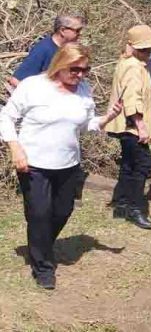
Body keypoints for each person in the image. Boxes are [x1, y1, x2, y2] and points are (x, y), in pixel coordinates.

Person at [0, 44, 121, 290]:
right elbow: (6, 117)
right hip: (34, 163)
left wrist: (106, 118)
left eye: (85, 70)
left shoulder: (84, 90)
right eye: (75, 69)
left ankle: (40, 244)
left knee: (62, 211)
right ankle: (43, 266)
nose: (80, 75)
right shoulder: (33, 86)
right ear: (60, 64)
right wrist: (15, 148)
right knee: (40, 214)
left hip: (68, 164)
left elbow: (86, 124)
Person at [105, 25, 151, 230]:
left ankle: (122, 204)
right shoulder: (134, 67)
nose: (150, 53)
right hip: (132, 126)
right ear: (138, 48)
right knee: (143, 165)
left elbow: (135, 89)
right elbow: (132, 99)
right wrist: (141, 126)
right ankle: (135, 208)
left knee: (129, 164)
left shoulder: (128, 63)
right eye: (147, 49)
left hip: (125, 125)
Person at [6, 14, 86, 90]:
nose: (80, 34)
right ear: (62, 30)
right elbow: (16, 81)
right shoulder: (43, 49)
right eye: (77, 30)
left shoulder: (68, 50)